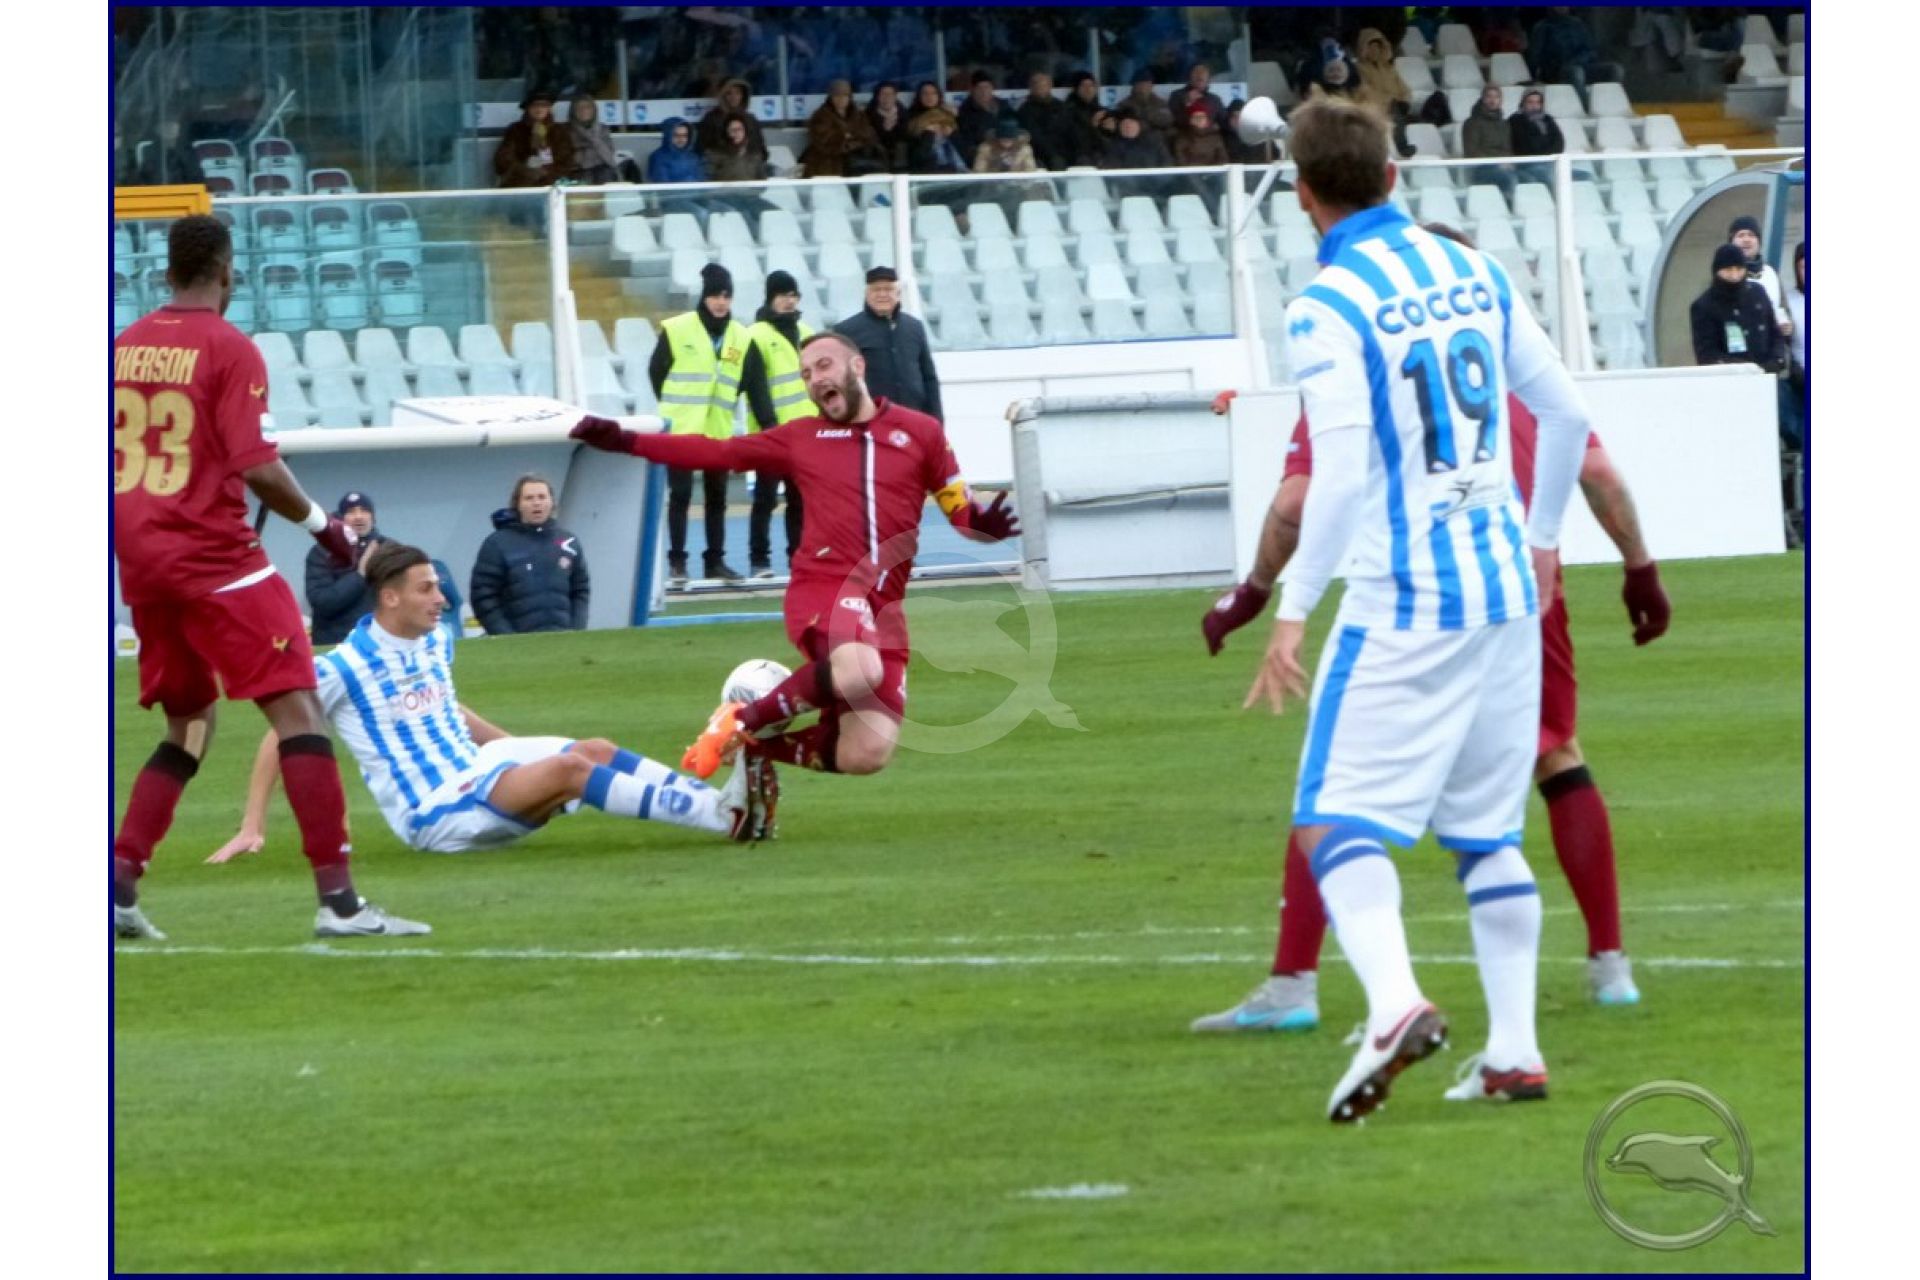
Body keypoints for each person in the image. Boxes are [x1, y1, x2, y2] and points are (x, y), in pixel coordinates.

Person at [1195, 229, 1672, 1037]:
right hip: (1522, 586)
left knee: (1334, 794)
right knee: (1554, 757)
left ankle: (1298, 984)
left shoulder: (1365, 352)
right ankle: (1607, 969)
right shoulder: (1504, 359)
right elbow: (1594, 467)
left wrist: (1257, 594)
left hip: (1418, 592)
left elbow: (1298, 500)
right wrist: (1639, 567)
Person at [1234, 98, 1595, 1121]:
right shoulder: (1472, 267)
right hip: (1506, 587)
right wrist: (1542, 536)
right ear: (1393, 175)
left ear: (1303, 195)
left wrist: (1294, 607)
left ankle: (1394, 1003)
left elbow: (1341, 473)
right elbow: (1566, 411)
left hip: (1406, 594)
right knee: (1486, 832)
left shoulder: (1327, 304)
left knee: (1330, 819)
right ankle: (1514, 1053)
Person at [112, 214, 426, 940]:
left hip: (146, 564)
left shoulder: (124, 346)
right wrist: (328, 530)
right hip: (217, 561)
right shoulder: (229, 347)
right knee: (299, 714)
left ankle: (119, 886)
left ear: (166, 274)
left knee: (191, 723)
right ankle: (339, 903)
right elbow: (257, 466)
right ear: (228, 273)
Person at [568, 332, 1019, 782]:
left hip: (885, 607)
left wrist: (983, 527)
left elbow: (962, 513)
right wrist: (624, 440)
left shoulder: (922, 432)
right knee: (859, 670)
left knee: (866, 752)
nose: (814, 379)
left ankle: (752, 748)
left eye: (823, 366)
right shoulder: (802, 437)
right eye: (806, 374)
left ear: (857, 366)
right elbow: (717, 451)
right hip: (826, 586)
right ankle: (739, 722)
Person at [210, 543, 773, 862]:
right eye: (427, 589)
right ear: (390, 597)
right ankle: (723, 818)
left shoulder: (433, 640)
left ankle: (718, 800)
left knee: (594, 749)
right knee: (572, 770)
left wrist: (518, 753)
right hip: (434, 809)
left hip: (475, 769)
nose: (442, 598)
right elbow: (281, 734)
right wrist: (253, 823)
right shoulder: (344, 666)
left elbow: (448, 711)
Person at [649, 263, 752, 584]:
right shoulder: (678, 329)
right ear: (704, 297)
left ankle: (715, 561)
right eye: (715, 296)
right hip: (682, 427)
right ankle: (678, 563)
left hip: (718, 428)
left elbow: (744, 379)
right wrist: (676, 407)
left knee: (717, 499)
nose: (721, 302)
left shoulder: (740, 334)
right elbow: (656, 371)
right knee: (680, 496)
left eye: (726, 296)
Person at [743, 270, 814, 576]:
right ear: (771, 298)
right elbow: (756, 387)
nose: (789, 301)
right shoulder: (755, 335)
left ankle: (797, 557)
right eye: (783, 295)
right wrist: (769, 425)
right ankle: (759, 560)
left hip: (804, 432)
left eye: (793, 295)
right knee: (765, 498)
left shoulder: (807, 332)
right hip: (771, 433)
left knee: (800, 500)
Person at [469, 474, 591, 634]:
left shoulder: (569, 542)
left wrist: (576, 630)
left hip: (564, 639)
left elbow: (580, 590)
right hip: (517, 642)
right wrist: (507, 637)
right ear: (517, 505)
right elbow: (483, 596)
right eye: (529, 498)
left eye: (542, 497)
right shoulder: (497, 544)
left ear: (551, 502)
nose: (536, 503)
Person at [832, 267, 943, 421]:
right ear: (866, 294)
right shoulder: (846, 331)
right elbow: (839, 380)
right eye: (876, 290)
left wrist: (936, 420)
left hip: (914, 417)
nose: (882, 294)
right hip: (871, 419)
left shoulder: (914, 327)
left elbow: (929, 378)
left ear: (898, 293)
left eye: (888, 289)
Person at [1690, 244, 1786, 375]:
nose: (1734, 275)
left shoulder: (1757, 293)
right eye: (1728, 270)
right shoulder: (1704, 305)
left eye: (1739, 269)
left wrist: (1776, 360)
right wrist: (1747, 369)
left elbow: (1775, 333)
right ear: (1717, 271)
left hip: (1768, 375)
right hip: (1730, 379)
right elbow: (1707, 354)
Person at [306, 491, 382, 646]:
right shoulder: (322, 552)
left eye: (364, 511)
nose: (358, 516)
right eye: (351, 512)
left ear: (373, 518)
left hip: (378, 641)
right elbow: (322, 603)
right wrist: (360, 574)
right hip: (334, 643)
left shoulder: (389, 549)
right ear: (340, 519)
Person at [1527, 6, 1625, 111]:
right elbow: (1535, 56)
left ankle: (1608, 107)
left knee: (1615, 70)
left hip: (1582, 66)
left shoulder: (1578, 24)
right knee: (1576, 72)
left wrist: (1579, 60)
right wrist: (1535, 77)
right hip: (1557, 71)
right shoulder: (1542, 27)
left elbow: (1591, 50)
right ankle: (1586, 110)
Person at [801, 79, 886, 178]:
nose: (841, 99)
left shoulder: (859, 115)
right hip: (828, 164)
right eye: (837, 95)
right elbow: (825, 141)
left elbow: (869, 135)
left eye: (845, 96)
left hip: (857, 163)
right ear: (831, 97)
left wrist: (849, 139)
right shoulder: (821, 116)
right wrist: (847, 138)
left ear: (850, 97)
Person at [494, 90, 574, 189]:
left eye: (543, 106)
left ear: (549, 108)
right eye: (535, 106)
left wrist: (547, 174)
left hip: (551, 186)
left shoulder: (559, 131)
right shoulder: (515, 130)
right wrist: (526, 171)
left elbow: (566, 162)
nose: (539, 109)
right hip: (520, 184)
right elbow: (503, 160)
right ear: (528, 108)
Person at [1728, 215, 1791, 340]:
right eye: (1741, 235)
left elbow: (1783, 309)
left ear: (1759, 242)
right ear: (1731, 242)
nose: (1746, 240)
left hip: (1773, 345)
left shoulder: (1771, 273)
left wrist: (1788, 325)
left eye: (1751, 235)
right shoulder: (1725, 274)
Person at [1462, 84, 1518, 200]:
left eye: (1496, 97)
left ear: (1501, 100)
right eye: (1489, 96)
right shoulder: (1472, 123)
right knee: (1509, 179)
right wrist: (1497, 163)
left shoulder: (1504, 124)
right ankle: (1509, 207)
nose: (1492, 100)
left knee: (1528, 177)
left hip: (1504, 166)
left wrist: (1508, 162)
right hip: (1481, 169)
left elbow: (1508, 149)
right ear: (1483, 99)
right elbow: (1471, 151)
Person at [566, 93, 637, 184]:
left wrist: (593, 140)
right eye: (579, 108)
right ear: (573, 112)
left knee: (608, 176)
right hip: (579, 172)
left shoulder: (602, 129)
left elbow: (609, 156)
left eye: (588, 107)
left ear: (594, 110)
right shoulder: (567, 131)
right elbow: (569, 159)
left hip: (603, 170)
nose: (584, 111)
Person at [1016, 71, 1078, 172]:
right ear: (1031, 88)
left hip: (1064, 151)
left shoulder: (1061, 107)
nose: (1040, 88)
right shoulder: (1025, 110)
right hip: (1038, 154)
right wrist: (1053, 154)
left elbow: (1070, 130)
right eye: (1037, 86)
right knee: (1056, 162)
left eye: (1044, 85)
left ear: (1050, 86)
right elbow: (1034, 135)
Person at [697, 77, 767, 160]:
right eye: (729, 93)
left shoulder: (751, 119)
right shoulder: (711, 119)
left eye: (738, 93)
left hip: (749, 165)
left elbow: (761, 149)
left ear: (743, 95)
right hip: (722, 165)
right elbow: (703, 150)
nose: (734, 97)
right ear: (722, 96)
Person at [955, 70, 1015, 167]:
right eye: (979, 88)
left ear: (992, 88)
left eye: (987, 87)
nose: (984, 92)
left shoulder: (1003, 105)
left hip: (1009, 152)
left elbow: (1015, 127)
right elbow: (968, 143)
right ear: (972, 90)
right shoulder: (965, 112)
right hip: (983, 157)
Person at [1508, 88, 1565, 187]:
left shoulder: (1548, 119)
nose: (1534, 106)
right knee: (1549, 176)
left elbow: (1559, 141)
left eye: (1538, 102)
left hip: (1551, 163)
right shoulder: (1515, 120)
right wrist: (1547, 153)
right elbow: (1526, 145)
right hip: (1528, 165)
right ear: (1523, 103)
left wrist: (1549, 156)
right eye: (1530, 102)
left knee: (1584, 176)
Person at [1099, 106, 1175, 171]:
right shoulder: (1115, 147)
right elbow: (1112, 169)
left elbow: (1167, 164)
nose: (1128, 127)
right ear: (1119, 129)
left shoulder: (1155, 140)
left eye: (1131, 122)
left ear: (1138, 124)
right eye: (1124, 124)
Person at [705, 112, 770, 183]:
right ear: (726, 132)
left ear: (745, 131)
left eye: (739, 129)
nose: (736, 133)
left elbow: (762, 182)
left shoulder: (755, 156)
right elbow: (708, 181)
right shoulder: (715, 155)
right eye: (732, 130)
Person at [1065, 71, 1111, 166]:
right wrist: (1092, 125)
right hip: (1077, 157)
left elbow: (1108, 144)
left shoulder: (1101, 110)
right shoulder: (1067, 111)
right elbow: (1075, 141)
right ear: (1076, 89)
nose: (1088, 89)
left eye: (1091, 85)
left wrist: (1114, 129)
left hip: (1101, 155)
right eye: (1083, 86)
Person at [866, 82, 911, 172]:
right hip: (876, 159)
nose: (887, 97)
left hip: (900, 159)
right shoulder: (868, 115)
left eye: (890, 94)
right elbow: (868, 137)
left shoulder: (904, 114)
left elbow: (906, 136)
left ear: (895, 96)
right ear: (877, 96)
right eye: (883, 94)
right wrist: (884, 130)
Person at [1167, 62, 1227, 128]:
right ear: (1190, 77)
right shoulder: (1177, 95)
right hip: (1184, 133)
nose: (1200, 74)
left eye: (1203, 72)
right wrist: (1186, 105)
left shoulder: (1215, 99)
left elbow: (1225, 122)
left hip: (1208, 133)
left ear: (1208, 79)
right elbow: (1170, 119)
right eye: (1196, 71)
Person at [1119, 70, 1174, 137]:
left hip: (1158, 137)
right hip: (1135, 138)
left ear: (1151, 86)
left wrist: (1150, 115)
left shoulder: (1160, 102)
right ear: (1134, 86)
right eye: (1141, 85)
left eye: (1147, 84)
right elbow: (1124, 125)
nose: (1144, 88)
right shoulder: (1125, 104)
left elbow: (1168, 120)